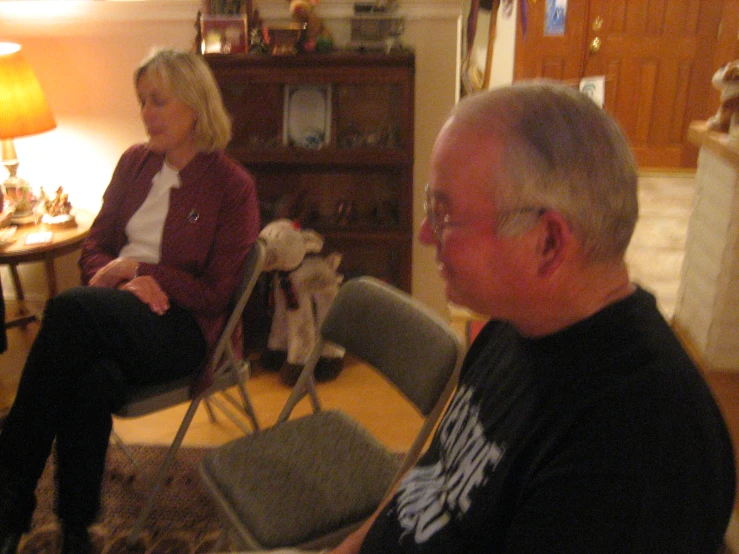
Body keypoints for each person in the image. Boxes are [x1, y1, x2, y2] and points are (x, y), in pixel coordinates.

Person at [307, 81, 735, 553]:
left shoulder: (634, 451)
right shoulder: (518, 325)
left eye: (445, 214)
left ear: (547, 242)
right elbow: (433, 470)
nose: (427, 234)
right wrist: (351, 546)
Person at [0, 48, 260, 554]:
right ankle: (77, 528)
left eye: (158, 101)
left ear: (195, 104)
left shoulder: (233, 187)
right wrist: (119, 280)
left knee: (70, 311)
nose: (146, 114)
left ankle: (9, 500)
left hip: (182, 329)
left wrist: (141, 270)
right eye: (142, 101)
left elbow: (218, 293)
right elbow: (95, 245)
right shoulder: (133, 163)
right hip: (114, 312)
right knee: (90, 377)